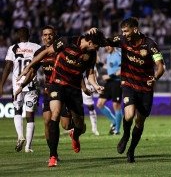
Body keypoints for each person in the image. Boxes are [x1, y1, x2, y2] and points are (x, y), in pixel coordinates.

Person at [18, 30, 105, 167]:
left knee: (79, 126)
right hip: (56, 84)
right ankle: (53, 156)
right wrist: (28, 67)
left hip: (74, 89)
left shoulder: (91, 54)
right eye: (97, 46)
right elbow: (45, 53)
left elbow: (90, 73)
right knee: (55, 114)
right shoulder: (67, 41)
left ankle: (75, 135)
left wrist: (96, 85)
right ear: (90, 42)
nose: (98, 49)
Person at [89, 17, 165, 163]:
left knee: (139, 122)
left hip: (145, 87)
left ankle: (131, 150)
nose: (124, 34)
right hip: (129, 84)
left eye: (126, 31)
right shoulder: (122, 40)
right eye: (122, 31)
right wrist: (95, 34)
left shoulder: (150, 44)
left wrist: (155, 77)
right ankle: (125, 136)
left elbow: (160, 65)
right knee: (129, 115)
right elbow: (106, 41)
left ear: (135, 29)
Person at [14, 25, 74, 159]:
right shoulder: (39, 52)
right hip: (49, 90)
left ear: (55, 35)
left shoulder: (63, 50)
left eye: (50, 34)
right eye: (45, 35)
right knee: (47, 121)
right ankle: (53, 154)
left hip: (64, 90)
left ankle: (74, 129)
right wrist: (22, 85)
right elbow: (32, 72)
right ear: (42, 37)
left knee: (65, 125)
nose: (48, 37)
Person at [0, 26, 41, 153]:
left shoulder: (13, 48)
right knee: (30, 116)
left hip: (17, 85)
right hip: (32, 84)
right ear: (30, 34)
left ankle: (20, 136)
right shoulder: (37, 47)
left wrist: (1, 85)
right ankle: (28, 146)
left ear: (18, 35)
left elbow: (7, 67)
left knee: (17, 111)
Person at [96, 46, 122, 135]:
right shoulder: (109, 55)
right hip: (109, 83)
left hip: (117, 82)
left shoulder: (118, 55)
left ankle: (117, 130)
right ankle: (114, 121)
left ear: (113, 45)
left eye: (108, 46)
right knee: (100, 104)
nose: (107, 48)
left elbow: (122, 70)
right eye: (106, 47)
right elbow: (109, 66)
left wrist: (110, 76)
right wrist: (99, 63)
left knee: (116, 105)